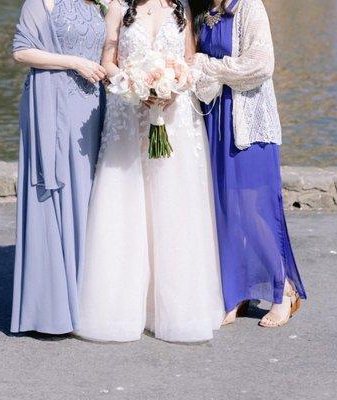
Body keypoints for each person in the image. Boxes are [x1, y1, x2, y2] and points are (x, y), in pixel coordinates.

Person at [75, 0, 225, 342]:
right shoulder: (116, 8)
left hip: (174, 119)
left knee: (172, 206)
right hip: (129, 118)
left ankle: (170, 309)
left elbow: (189, 60)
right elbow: (107, 63)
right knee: (126, 204)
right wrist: (130, 83)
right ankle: (121, 307)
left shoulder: (181, 8)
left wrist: (175, 86)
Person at [189, 0, 306, 327]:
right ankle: (237, 292)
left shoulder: (248, 7)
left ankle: (283, 289)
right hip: (215, 123)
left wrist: (211, 67)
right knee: (225, 209)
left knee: (253, 208)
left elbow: (261, 64)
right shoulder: (201, 10)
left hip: (248, 124)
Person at [10, 0, 107, 334]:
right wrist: (75, 63)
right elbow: (22, 51)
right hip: (53, 103)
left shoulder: (98, 2)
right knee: (56, 194)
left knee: (89, 196)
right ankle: (51, 308)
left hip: (92, 110)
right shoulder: (43, 0)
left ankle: (86, 298)